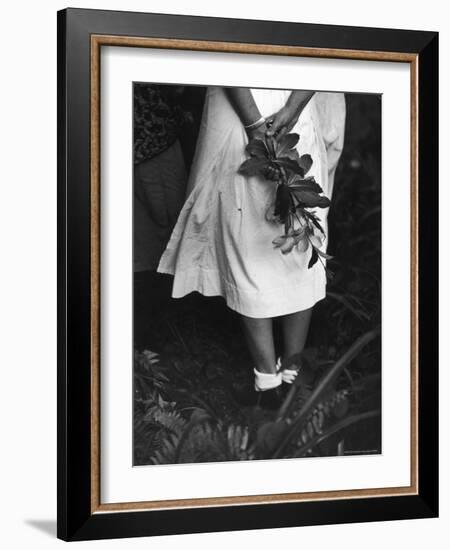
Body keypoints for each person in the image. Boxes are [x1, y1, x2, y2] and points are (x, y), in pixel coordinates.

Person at [157, 86, 346, 408]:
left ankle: (291, 372)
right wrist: (255, 124)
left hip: (293, 110)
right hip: (242, 111)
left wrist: (292, 110)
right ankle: (268, 379)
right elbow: (227, 50)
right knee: (246, 240)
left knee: (300, 240)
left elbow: (321, 52)